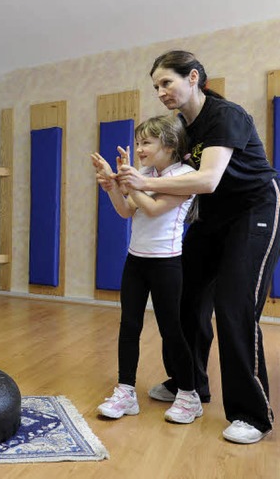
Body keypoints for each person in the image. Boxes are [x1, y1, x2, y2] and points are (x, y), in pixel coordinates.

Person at [117, 50, 280, 444]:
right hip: (213, 218)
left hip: (254, 211)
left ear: (193, 78)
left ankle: (251, 414)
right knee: (184, 300)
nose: (160, 91)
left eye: (166, 82)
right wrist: (120, 180)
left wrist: (144, 184)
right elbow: (164, 176)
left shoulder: (226, 116)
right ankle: (189, 384)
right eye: (155, 86)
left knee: (233, 307)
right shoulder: (180, 129)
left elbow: (206, 180)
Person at [92, 115, 203, 424]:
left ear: (169, 145)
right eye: (138, 142)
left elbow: (154, 208)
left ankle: (189, 395)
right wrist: (113, 187)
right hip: (136, 260)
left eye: (146, 143)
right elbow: (127, 210)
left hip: (166, 263)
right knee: (129, 325)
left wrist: (126, 182)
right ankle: (126, 391)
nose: (139, 148)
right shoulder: (144, 173)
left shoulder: (186, 175)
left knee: (171, 329)